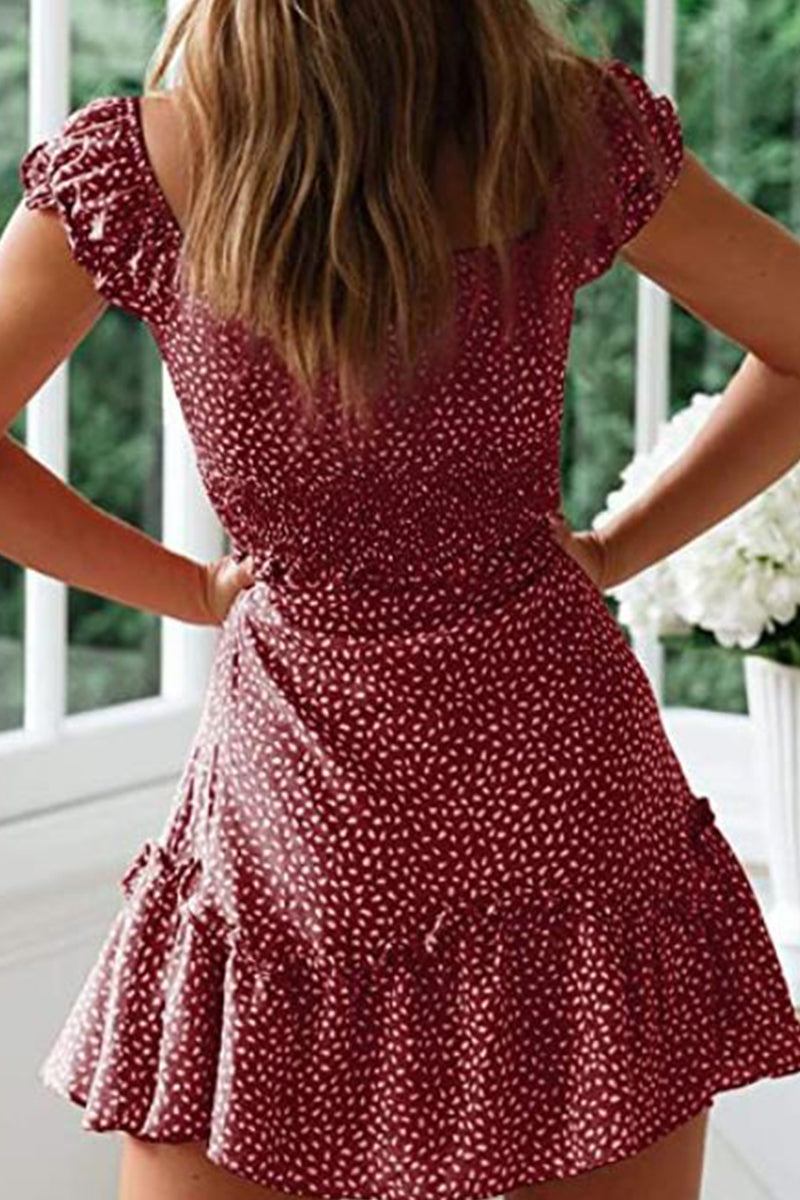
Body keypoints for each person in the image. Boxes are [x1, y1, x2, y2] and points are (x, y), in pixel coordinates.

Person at [2, 2, 800, 1199]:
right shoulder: (560, 133)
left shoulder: (144, 165)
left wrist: (194, 593)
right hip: (549, 807)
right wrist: (613, 552)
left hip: (303, 818)